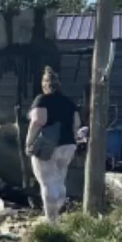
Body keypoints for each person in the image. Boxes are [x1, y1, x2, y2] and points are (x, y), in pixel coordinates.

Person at [25, 66, 81, 224]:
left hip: (48, 146)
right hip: (68, 145)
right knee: (59, 179)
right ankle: (58, 214)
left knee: (47, 182)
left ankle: (51, 220)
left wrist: (28, 142)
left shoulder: (42, 100)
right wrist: (74, 140)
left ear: (45, 84)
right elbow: (77, 124)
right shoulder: (69, 102)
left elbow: (38, 121)